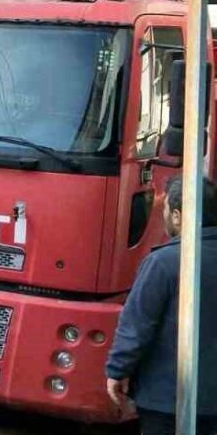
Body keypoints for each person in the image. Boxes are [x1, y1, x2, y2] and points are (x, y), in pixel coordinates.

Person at [106, 174, 217, 434]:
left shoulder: (164, 262)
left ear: (178, 216)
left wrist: (117, 371)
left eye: (165, 209)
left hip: (166, 399)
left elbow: (137, 326)